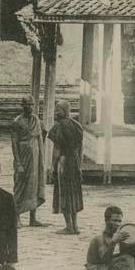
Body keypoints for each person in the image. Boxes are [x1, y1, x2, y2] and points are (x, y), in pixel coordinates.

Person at [85, 206, 135, 270]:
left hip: (108, 267)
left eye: (119, 221)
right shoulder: (99, 239)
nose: (117, 224)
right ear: (106, 221)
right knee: (126, 260)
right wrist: (113, 242)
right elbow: (105, 259)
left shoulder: (119, 235)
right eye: (114, 220)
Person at [48, 100, 83, 235]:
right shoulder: (77, 125)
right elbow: (79, 148)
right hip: (74, 161)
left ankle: (69, 226)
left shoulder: (58, 127)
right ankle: (75, 226)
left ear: (65, 111)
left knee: (64, 193)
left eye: (58, 109)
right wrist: (79, 165)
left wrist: (52, 166)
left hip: (63, 162)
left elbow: (57, 149)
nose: (56, 112)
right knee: (74, 193)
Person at [11, 94, 46, 229]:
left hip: (35, 159)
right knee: (20, 186)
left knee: (34, 186)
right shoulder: (17, 121)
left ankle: (33, 218)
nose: (30, 107)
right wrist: (18, 163)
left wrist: (38, 150)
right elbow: (14, 143)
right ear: (22, 105)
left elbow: (43, 133)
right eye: (27, 104)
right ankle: (17, 217)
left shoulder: (36, 120)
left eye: (32, 104)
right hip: (23, 156)